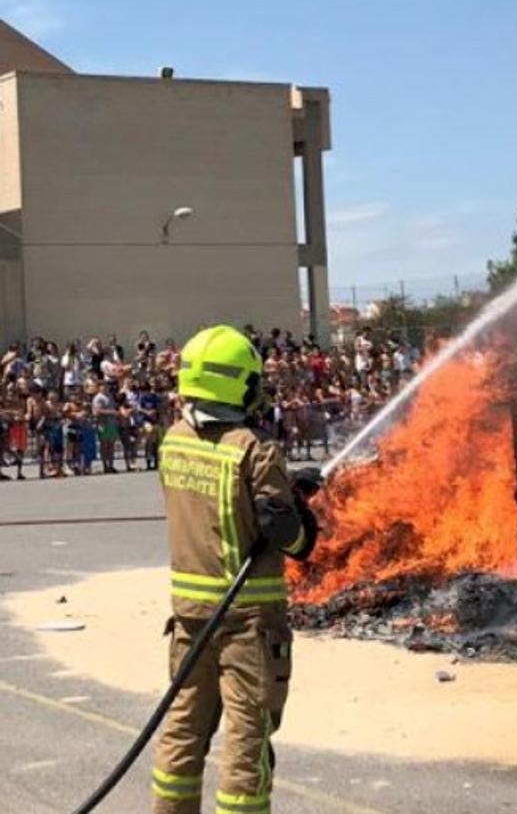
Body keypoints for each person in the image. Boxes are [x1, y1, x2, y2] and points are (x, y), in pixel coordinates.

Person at [152, 324, 320, 814]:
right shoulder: (255, 448)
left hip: (189, 620)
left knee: (183, 733)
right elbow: (286, 534)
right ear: (240, 384)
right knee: (248, 742)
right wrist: (300, 512)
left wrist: (287, 489)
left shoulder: (174, 441)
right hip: (248, 622)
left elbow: (222, 504)